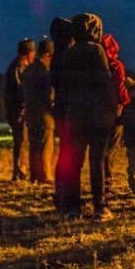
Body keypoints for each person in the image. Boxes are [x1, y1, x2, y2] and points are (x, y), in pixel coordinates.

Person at [61, 13, 118, 220]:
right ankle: (100, 205)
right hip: (98, 116)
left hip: (76, 114)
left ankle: (73, 207)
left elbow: (64, 85)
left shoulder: (69, 53)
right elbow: (105, 83)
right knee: (97, 161)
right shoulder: (96, 51)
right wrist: (113, 109)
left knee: (75, 163)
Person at [50, 17, 78, 212]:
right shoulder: (66, 57)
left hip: (62, 110)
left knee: (65, 155)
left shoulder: (57, 57)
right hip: (69, 111)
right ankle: (67, 197)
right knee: (70, 156)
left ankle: (62, 194)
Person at [22, 39, 56, 184]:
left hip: (30, 113)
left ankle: (34, 175)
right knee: (45, 147)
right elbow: (49, 94)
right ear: (48, 55)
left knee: (34, 146)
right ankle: (45, 175)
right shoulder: (44, 71)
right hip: (44, 115)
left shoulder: (28, 70)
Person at [101, 33, 131, 196]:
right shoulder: (116, 66)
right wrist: (125, 101)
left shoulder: (95, 65)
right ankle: (107, 180)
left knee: (99, 148)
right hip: (113, 112)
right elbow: (120, 88)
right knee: (110, 149)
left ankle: (100, 180)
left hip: (97, 111)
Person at [5, 38, 35, 182]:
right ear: (28, 53)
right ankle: (19, 172)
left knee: (22, 141)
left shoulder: (20, 66)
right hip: (18, 111)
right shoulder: (18, 67)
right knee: (21, 141)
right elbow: (19, 90)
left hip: (19, 110)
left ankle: (20, 171)